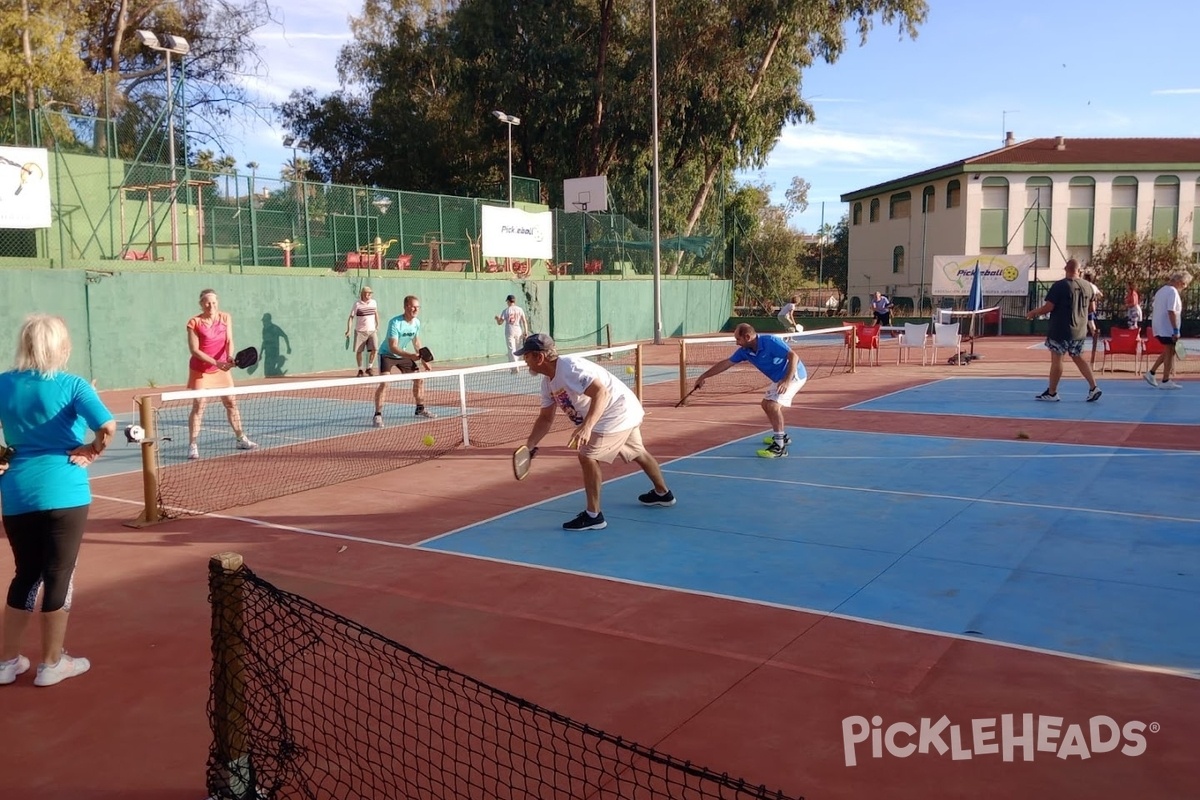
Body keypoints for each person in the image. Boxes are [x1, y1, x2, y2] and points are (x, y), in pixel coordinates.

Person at [0, 314, 116, 687]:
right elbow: (108, 428)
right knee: (58, 576)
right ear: (61, 346)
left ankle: (6, 662)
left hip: (17, 491)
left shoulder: (3, 383)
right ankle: (52, 664)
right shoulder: (73, 384)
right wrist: (92, 450)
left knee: (25, 575)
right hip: (64, 491)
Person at [516, 333, 674, 531]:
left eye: (527, 356)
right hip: (623, 409)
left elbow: (601, 392)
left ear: (539, 357)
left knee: (587, 456)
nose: (525, 361)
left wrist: (587, 427)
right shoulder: (548, 382)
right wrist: (530, 445)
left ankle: (594, 516)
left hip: (616, 412)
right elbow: (546, 418)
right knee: (637, 451)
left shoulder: (570, 368)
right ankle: (663, 494)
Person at [690, 323, 806, 459]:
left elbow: (793, 356)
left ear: (747, 337)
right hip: (779, 378)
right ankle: (782, 436)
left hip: (793, 375)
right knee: (765, 404)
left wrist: (786, 380)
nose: (736, 343)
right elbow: (726, 363)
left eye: (738, 340)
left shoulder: (770, 341)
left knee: (773, 405)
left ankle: (780, 447)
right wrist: (704, 376)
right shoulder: (745, 351)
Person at [186, 289, 257, 460]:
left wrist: (230, 357)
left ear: (218, 303)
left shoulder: (225, 318)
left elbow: (229, 340)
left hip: (221, 370)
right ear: (201, 304)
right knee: (199, 406)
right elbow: (194, 350)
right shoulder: (194, 323)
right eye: (207, 303)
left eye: (214, 302)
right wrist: (217, 362)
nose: (211, 306)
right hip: (201, 371)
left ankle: (241, 438)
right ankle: (193, 445)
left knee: (231, 403)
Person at [1024, 259, 1102, 403]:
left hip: (1060, 330)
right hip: (1079, 331)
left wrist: (1033, 313)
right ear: (1079, 270)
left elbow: (1048, 307)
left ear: (1066, 268)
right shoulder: (1088, 286)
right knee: (1078, 357)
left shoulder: (1059, 286)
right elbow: (1092, 309)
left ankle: (1052, 393)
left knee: (1057, 359)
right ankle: (1093, 387)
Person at [373, 295, 435, 426]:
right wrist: (411, 356)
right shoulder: (395, 323)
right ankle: (377, 415)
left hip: (403, 355)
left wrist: (424, 360)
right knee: (385, 383)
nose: (416, 309)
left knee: (419, 378)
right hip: (387, 355)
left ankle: (420, 409)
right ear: (406, 307)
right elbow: (393, 347)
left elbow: (417, 342)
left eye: (418, 307)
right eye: (413, 306)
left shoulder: (416, 323)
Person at [1143, 272, 1193, 389]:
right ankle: (1165, 380)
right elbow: (1171, 311)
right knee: (1170, 352)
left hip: (1159, 326)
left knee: (1168, 350)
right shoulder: (1173, 292)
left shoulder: (1161, 291)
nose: (1185, 287)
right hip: (1167, 328)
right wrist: (1175, 330)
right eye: (1185, 284)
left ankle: (1151, 373)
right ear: (1180, 282)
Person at [346, 286, 379, 376]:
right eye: (367, 293)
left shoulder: (374, 302)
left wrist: (377, 324)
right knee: (359, 351)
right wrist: (349, 330)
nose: (369, 294)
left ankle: (369, 367)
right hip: (360, 331)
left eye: (370, 293)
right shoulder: (357, 304)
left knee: (375, 349)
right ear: (363, 294)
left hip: (372, 331)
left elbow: (376, 313)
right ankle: (360, 370)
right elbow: (351, 317)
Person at [495, 294, 529, 370]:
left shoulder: (506, 310)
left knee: (511, 349)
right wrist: (526, 331)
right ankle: (515, 365)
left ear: (508, 301)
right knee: (518, 349)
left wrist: (497, 319)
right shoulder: (520, 309)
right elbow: (524, 321)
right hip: (518, 330)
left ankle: (514, 367)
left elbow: (500, 322)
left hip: (509, 330)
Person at [1082, 270, 1104, 336]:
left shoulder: (1084, 286)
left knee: (1082, 324)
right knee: (1091, 324)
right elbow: (1101, 295)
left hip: (1084, 308)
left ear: (1086, 279)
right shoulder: (1094, 286)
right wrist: (1095, 299)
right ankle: (1095, 337)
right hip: (1091, 308)